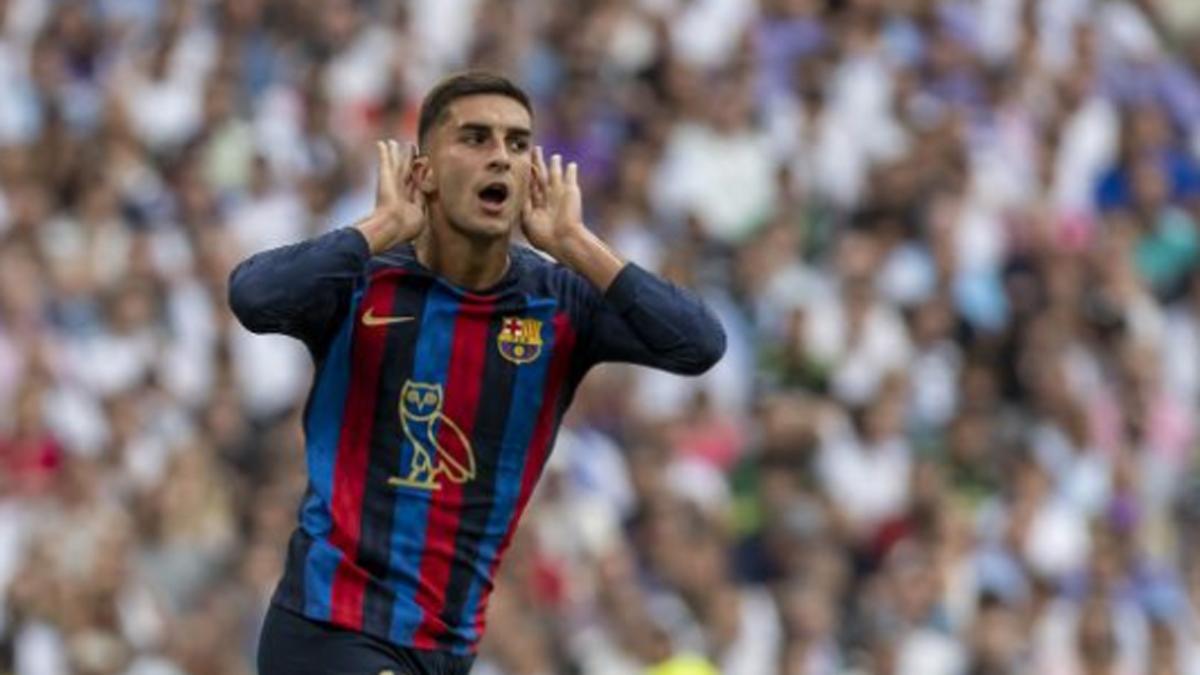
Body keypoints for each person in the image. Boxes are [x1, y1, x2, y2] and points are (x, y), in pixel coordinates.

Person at [230, 71, 726, 674]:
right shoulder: (362, 283)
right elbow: (254, 297)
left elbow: (699, 344)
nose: (501, 157)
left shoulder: (560, 302)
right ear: (426, 170)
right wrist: (381, 226)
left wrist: (576, 243)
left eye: (518, 144)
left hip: (447, 648)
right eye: (476, 138)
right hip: (329, 628)